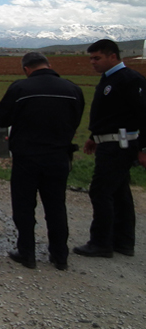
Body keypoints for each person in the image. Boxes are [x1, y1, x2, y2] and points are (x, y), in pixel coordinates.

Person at [0, 52, 85, 270]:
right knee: (56, 206)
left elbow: (1, 119)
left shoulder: (20, 89)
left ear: (26, 69)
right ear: (49, 65)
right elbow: (76, 119)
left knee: (24, 206)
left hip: (27, 158)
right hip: (59, 157)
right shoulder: (73, 89)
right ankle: (60, 256)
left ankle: (27, 254)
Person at [73, 39, 146, 258]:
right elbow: (110, 114)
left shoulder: (130, 79)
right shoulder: (108, 79)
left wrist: (143, 149)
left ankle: (101, 242)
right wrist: (94, 136)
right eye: (91, 58)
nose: (92, 63)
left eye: (97, 58)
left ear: (112, 56)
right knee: (119, 192)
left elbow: (143, 115)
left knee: (101, 191)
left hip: (120, 144)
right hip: (106, 141)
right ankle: (123, 242)